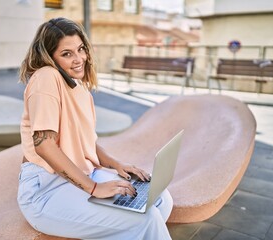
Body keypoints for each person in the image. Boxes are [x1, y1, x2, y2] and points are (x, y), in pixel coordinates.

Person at [17, 17, 173, 239]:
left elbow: (85, 141)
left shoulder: (80, 89)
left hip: (81, 174)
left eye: (80, 49)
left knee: (160, 199)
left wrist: (116, 164)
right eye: (66, 53)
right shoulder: (46, 77)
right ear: (49, 57)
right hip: (45, 189)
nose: (79, 58)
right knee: (145, 219)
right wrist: (93, 188)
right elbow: (44, 146)